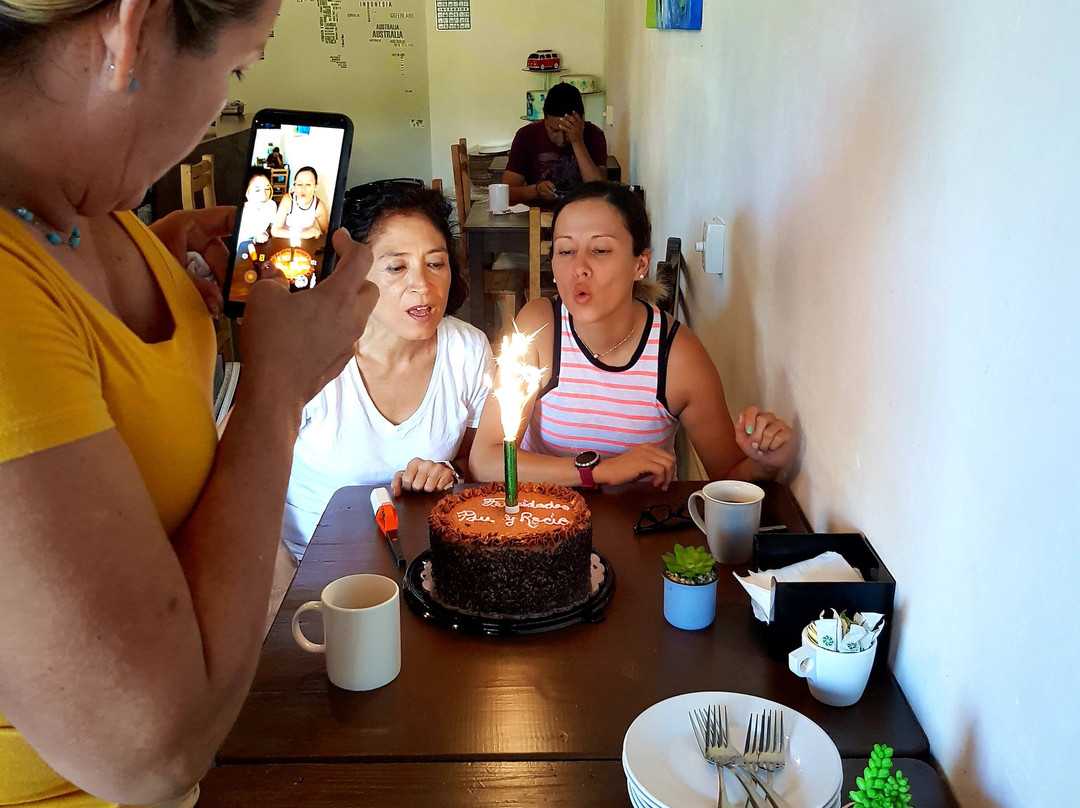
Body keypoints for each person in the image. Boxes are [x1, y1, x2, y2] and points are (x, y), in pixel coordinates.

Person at [0, 0, 377, 806]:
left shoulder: (88, 209)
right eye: (238, 67)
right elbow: (152, 752)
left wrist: (155, 279)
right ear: (132, 30)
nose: (222, 106)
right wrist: (277, 390)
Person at [469, 182, 795, 489]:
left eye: (600, 250)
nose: (579, 267)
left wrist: (764, 463)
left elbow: (728, 479)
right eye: (565, 251)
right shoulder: (541, 328)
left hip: (638, 525)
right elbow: (485, 459)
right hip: (543, 518)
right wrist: (599, 471)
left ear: (640, 264)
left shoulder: (676, 356)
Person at [281, 184, 492, 559]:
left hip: (424, 562)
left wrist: (447, 471)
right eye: (396, 267)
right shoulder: (307, 359)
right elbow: (239, 483)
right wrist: (285, 589)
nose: (422, 285)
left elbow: (473, 459)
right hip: (315, 568)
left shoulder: (467, 350)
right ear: (351, 274)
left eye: (435, 263)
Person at [503, 82, 607, 205]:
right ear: (544, 117)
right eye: (553, 130)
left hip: (583, 211)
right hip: (539, 212)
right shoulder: (526, 136)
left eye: (568, 131)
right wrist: (536, 190)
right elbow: (508, 191)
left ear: (582, 118)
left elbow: (598, 190)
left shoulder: (594, 134)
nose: (561, 140)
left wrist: (577, 142)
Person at [270, 166, 328, 239]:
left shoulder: (318, 206)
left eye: (308, 185)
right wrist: (301, 234)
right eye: (299, 184)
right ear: (294, 187)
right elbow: (275, 231)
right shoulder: (288, 200)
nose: (303, 189)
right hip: (285, 241)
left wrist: (316, 233)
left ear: (315, 187)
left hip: (306, 243)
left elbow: (326, 232)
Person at [236, 167, 277, 246]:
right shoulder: (240, 212)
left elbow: (272, 226)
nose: (264, 195)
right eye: (257, 190)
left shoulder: (271, 205)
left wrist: (265, 233)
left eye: (267, 189)